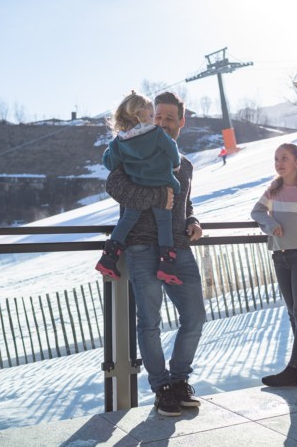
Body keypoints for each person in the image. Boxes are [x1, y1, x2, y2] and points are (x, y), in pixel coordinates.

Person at [105, 91, 207, 417]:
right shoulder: (130, 151)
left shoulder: (185, 165)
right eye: (157, 116)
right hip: (140, 246)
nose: (161, 122)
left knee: (195, 317)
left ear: (180, 123)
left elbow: (184, 203)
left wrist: (192, 220)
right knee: (149, 322)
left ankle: (178, 381)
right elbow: (115, 188)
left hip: (178, 247)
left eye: (168, 119)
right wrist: (156, 195)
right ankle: (161, 388)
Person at [251, 143, 297, 389]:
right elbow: (257, 212)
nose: (279, 163)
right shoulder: (273, 189)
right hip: (279, 257)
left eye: (284, 158)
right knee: (294, 315)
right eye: (276, 159)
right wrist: (270, 224)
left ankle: (293, 370)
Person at [96, 91, 183, 285]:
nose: (155, 120)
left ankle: (108, 258)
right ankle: (166, 266)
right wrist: (175, 165)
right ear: (141, 116)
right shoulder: (157, 134)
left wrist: (111, 148)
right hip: (161, 185)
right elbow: (172, 151)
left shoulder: (120, 141)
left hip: (137, 186)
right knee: (164, 224)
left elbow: (110, 163)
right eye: (152, 116)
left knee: (127, 220)